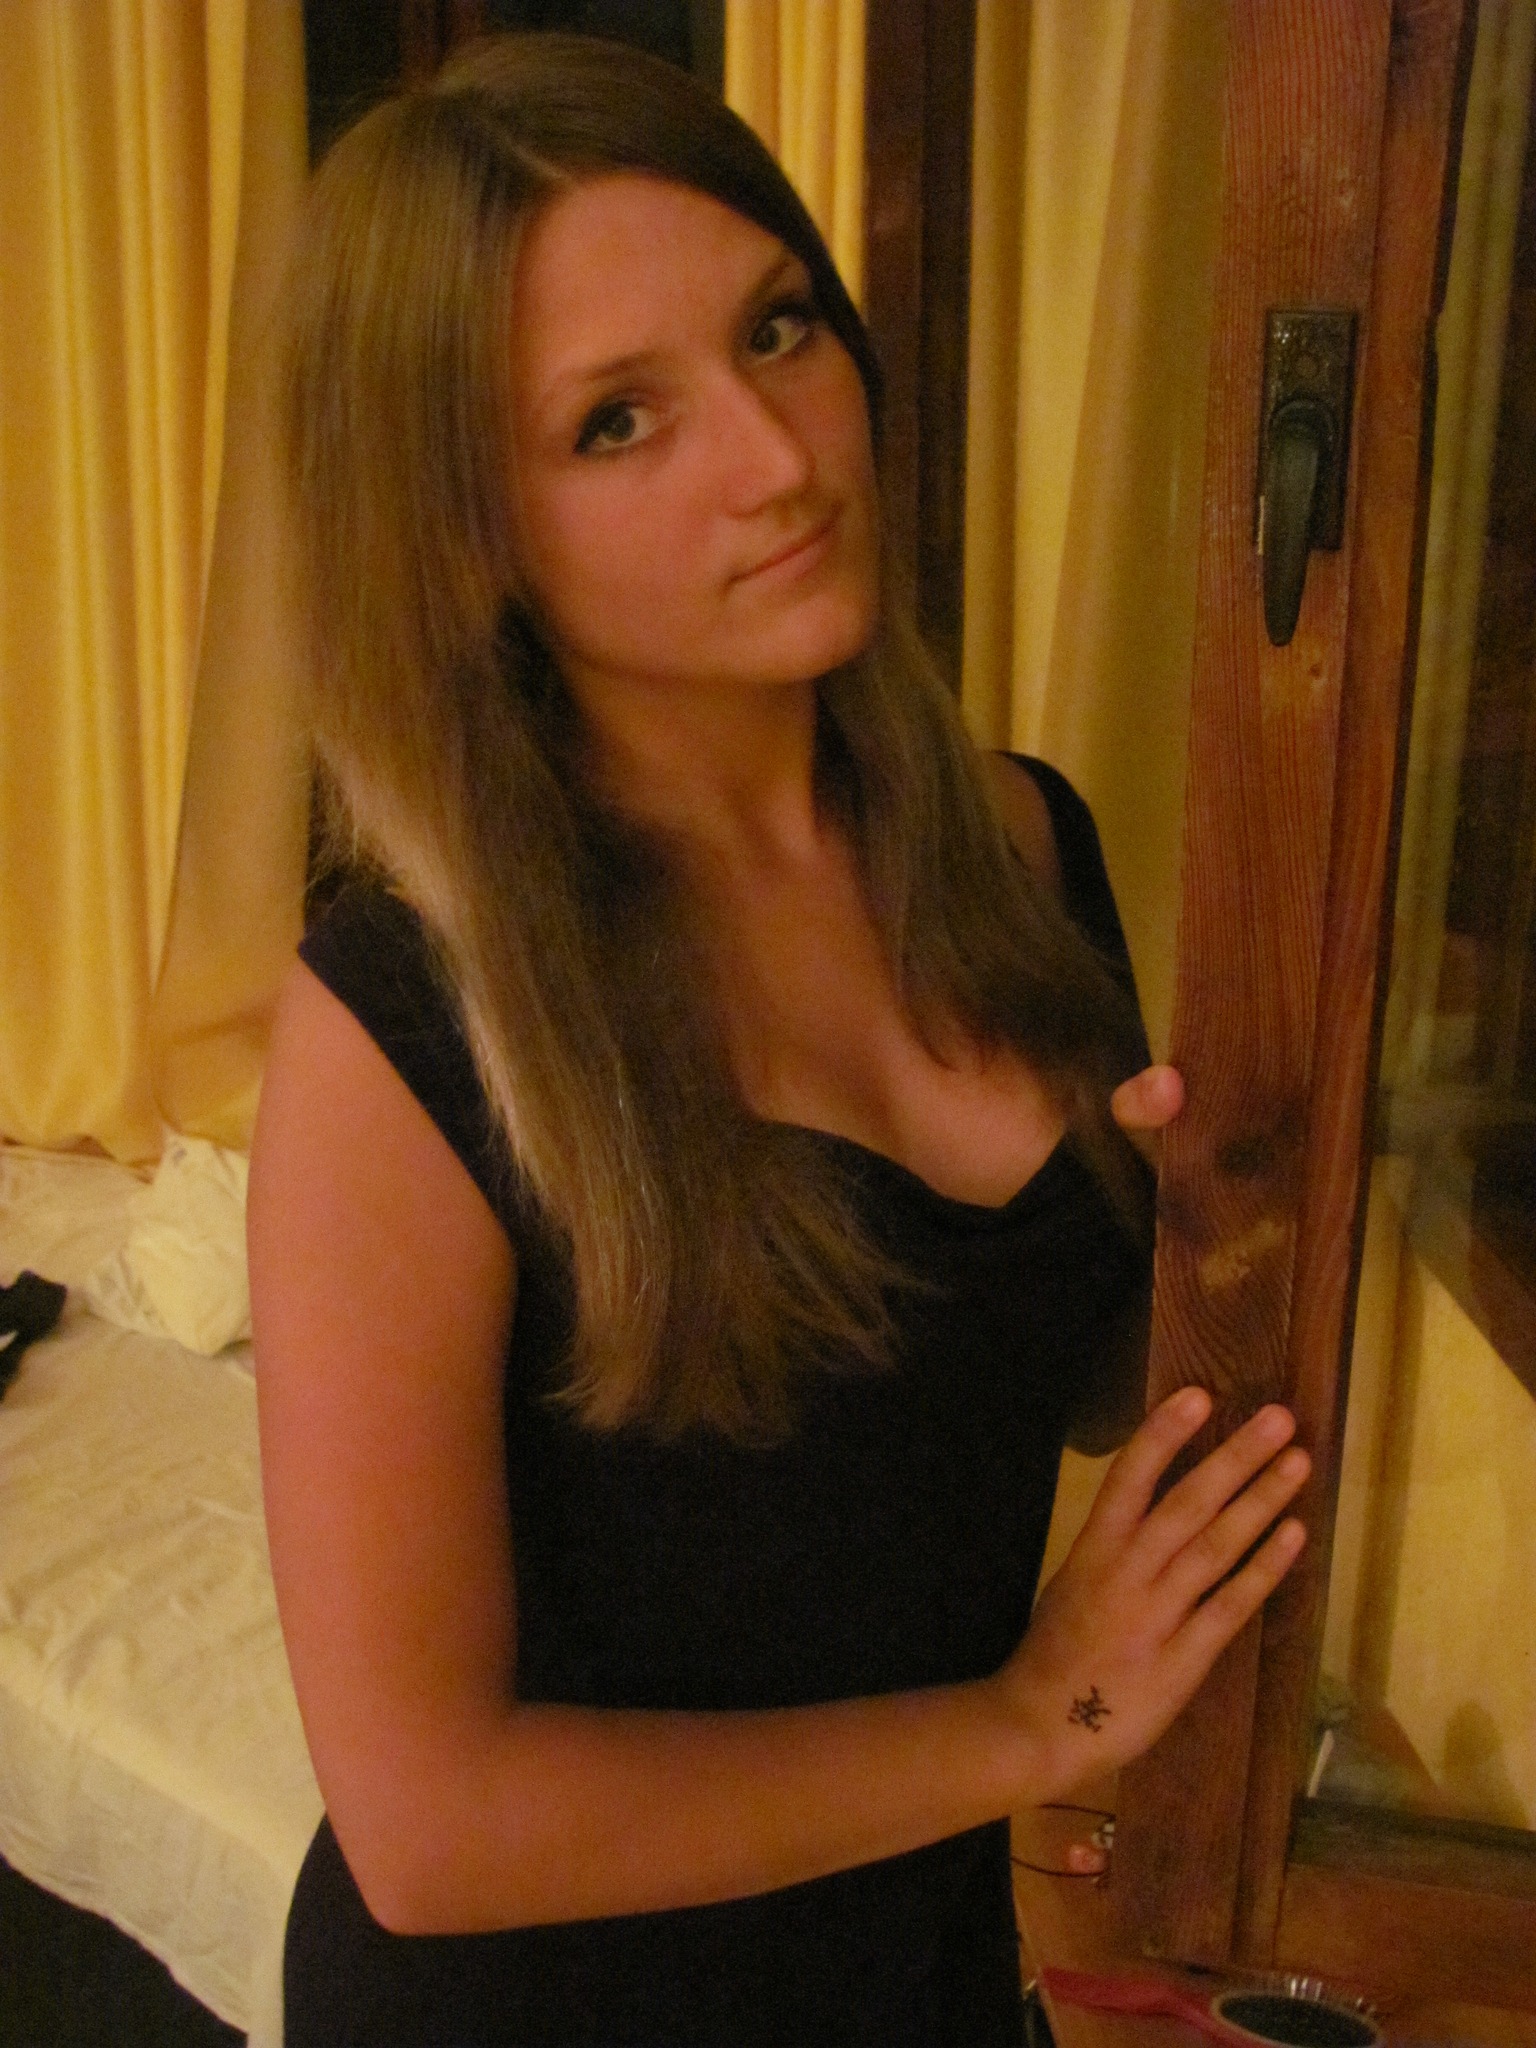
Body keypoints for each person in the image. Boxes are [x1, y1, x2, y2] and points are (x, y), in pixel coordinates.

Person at [249, 32, 1310, 2048]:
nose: (775, 457)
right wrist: (1032, 1721)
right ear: (464, 532)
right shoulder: (408, 1029)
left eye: (778, 328)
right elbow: (429, 1827)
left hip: (917, 1967)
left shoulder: (1015, 843)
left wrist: (1199, 1216)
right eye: (618, 422)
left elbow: (1045, 1385)